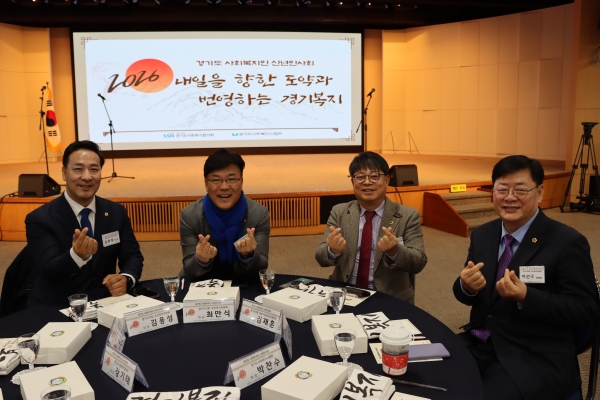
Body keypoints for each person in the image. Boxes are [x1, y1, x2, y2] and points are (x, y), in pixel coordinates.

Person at [452, 155, 599, 400]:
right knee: (427, 376)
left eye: (520, 190)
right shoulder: (483, 234)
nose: (510, 197)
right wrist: (467, 286)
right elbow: (468, 294)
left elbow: (586, 310)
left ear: (539, 193)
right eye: (502, 189)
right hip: (481, 343)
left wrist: (527, 297)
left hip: (533, 355)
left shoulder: (567, 242)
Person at [26, 140, 144, 306]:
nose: (87, 177)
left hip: (106, 301)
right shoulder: (40, 219)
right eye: (78, 169)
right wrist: (77, 255)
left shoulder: (116, 212)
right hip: (60, 305)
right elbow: (49, 270)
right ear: (64, 173)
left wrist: (126, 278)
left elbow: (132, 255)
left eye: (94, 169)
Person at [314, 151, 427, 304]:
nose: (367, 182)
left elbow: (419, 262)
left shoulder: (407, 216)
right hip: (345, 294)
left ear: (387, 180)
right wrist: (332, 251)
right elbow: (320, 257)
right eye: (360, 177)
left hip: (389, 298)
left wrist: (395, 251)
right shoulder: (339, 212)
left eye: (374, 176)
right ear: (353, 181)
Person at [179, 148, 269, 284]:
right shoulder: (190, 215)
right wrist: (201, 259)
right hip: (201, 285)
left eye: (232, 179)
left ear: (241, 181)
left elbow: (262, 266)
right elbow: (190, 269)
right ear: (206, 184)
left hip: (244, 283)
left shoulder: (259, 214)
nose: (224, 187)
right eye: (216, 180)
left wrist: (249, 255)